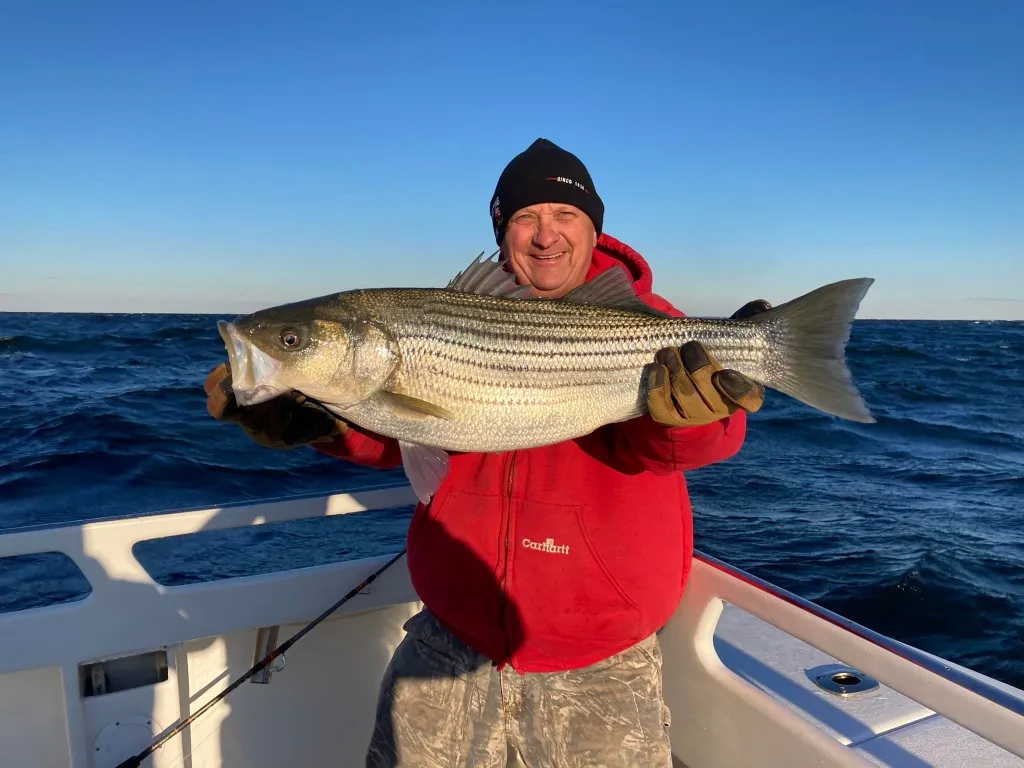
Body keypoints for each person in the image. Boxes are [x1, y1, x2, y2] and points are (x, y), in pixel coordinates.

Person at [205, 138, 770, 767]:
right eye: (526, 217)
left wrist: (687, 419)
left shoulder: (647, 322)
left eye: (566, 216)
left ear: (594, 227)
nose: (546, 235)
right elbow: (401, 440)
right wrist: (315, 423)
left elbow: (691, 446)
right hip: (450, 637)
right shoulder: (455, 314)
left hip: (598, 659)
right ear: (503, 232)